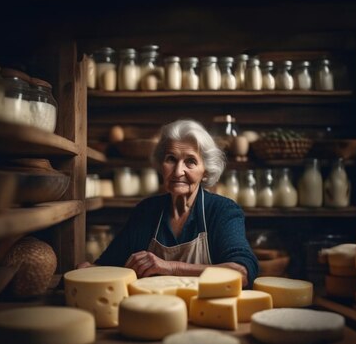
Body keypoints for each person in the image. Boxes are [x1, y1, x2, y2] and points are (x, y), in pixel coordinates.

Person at [82, 119, 258, 287]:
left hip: (206, 312)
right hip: (155, 312)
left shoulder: (222, 210)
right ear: (161, 165)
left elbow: (242, 273)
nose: (178, 171)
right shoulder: (146, 211)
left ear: (205, 171)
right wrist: (89, 270)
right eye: (171, 159)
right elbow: (108, 265)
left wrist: (170, 267)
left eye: (190, 161)